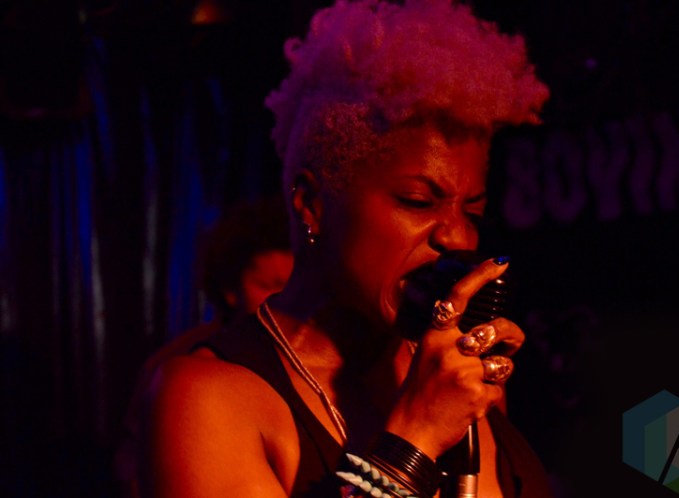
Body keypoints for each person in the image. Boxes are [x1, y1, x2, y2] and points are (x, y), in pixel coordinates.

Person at [141, 1, 551, 497]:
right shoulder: (204, 397)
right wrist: (415, 439)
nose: (459, 238)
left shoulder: (448, 377)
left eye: (473, 212)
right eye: (417, 201)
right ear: (313, 204)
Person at [115, 196, 293, 497]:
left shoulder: (310, 362)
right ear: (230, 289)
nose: (281, 300)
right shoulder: (180, 363)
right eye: (266, 286)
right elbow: (131, 469)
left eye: (290, 287)